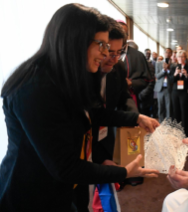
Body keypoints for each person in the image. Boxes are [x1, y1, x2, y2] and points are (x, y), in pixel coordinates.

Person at [0, 4, 159, 212]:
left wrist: (136, 118)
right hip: (29, 196)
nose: (105, 54)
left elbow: (93, 114)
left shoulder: (66, 77)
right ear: (75, 41)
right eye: (101, 45)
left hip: (58, 191)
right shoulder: (35, 87)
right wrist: (123, 172)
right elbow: (65, 167)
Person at [117, 21, 154, 116]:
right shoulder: (105, 52)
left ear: (127, 35)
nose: (121, 36)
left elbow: (146, 79)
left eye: (124, 33)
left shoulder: (138, 55)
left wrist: (131, 83)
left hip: (130, 98)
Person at [171, 50, 188, 137]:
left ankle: (185, 133)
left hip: (184, 92)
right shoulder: (174, 67)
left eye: (182, 56)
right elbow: (171, 81)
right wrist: (175, 74)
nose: (180, 58)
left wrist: (186, 75)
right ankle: (176, 132)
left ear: (185, 58)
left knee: (184, 112)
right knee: (176, 112)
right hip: (175, 92)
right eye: (179, 57)